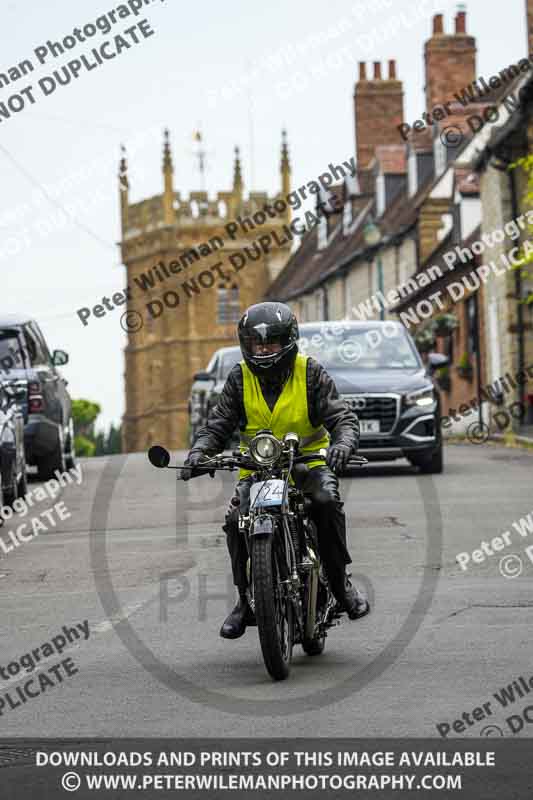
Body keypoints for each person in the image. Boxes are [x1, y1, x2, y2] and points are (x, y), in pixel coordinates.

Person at [181, 302, 370, 639]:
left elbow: (342, 418)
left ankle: (341, 586)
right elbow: (217, 426)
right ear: (247, 345)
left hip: (307, 463)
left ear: (289, 341)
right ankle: (244, 600)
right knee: (234, 520)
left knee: (325, 501)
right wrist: (199, 453)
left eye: (271, 343)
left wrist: (342, 445)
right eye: (257, 344)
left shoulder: (309, 371)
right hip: (256, 469)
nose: (264, 350)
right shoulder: (239, 377)